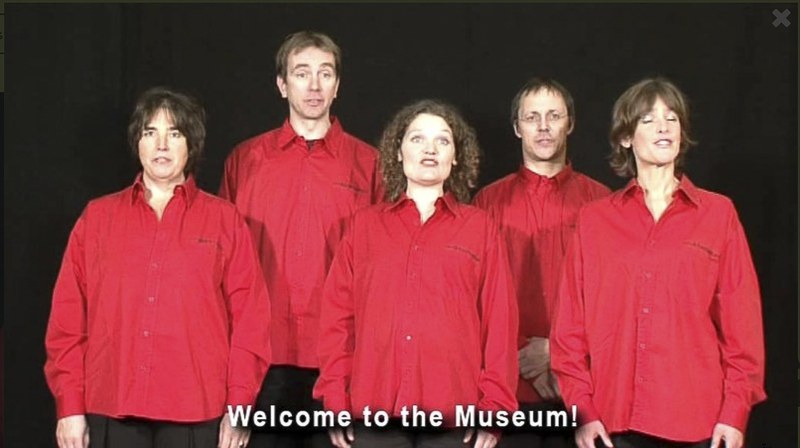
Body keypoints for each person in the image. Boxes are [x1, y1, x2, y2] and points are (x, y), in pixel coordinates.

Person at [44, 87, 271, 448]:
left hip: (198, 413)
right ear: (138, 143)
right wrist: (69, 407)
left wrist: (240, 405)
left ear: (191, 145)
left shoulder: (224, 220)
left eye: (174, 134)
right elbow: (67, 322)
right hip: (113, 408)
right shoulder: (97, 218)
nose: (161, 145)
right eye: (151, 133)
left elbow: (250, 322)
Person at [550, 77, 766, 448]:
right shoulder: (594, 220)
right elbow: (569, 329)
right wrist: (582, 410)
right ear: (625, 137)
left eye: (672, 118)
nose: (664, 126)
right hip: (614, 422)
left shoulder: (718, 214)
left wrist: (734, 413)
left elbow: (741, 326)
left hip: (697, 422)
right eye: (648, 119)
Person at [314, 99, 519, 448]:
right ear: (397, 152)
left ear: (456, 157)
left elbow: (499, 324)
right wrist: (334, 397)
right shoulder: (363, 227)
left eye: (442, 140)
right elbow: (337, 320)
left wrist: (495, 407)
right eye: (417, 138)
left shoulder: (481, 228)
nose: (430, 149)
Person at [218, 31, 382, 448]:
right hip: (261, 360)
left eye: (325, 74)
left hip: (341, 361)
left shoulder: (370, 165)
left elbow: (383, 269)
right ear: (281, 84)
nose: (313, 85)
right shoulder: (245, 161)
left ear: (338, 85)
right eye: (301, 73)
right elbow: (220, 266)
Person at [473, 78, 610, 448]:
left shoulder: (602, 204)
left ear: (571, 123)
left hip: (586, 390)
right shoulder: (487, 203)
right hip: (509, 388)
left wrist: (558, 352)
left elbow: (614, 299)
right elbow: (474, 295)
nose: (544, 126)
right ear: (517, 127)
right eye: (532, 117)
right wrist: (520, 352)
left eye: (554, 116)